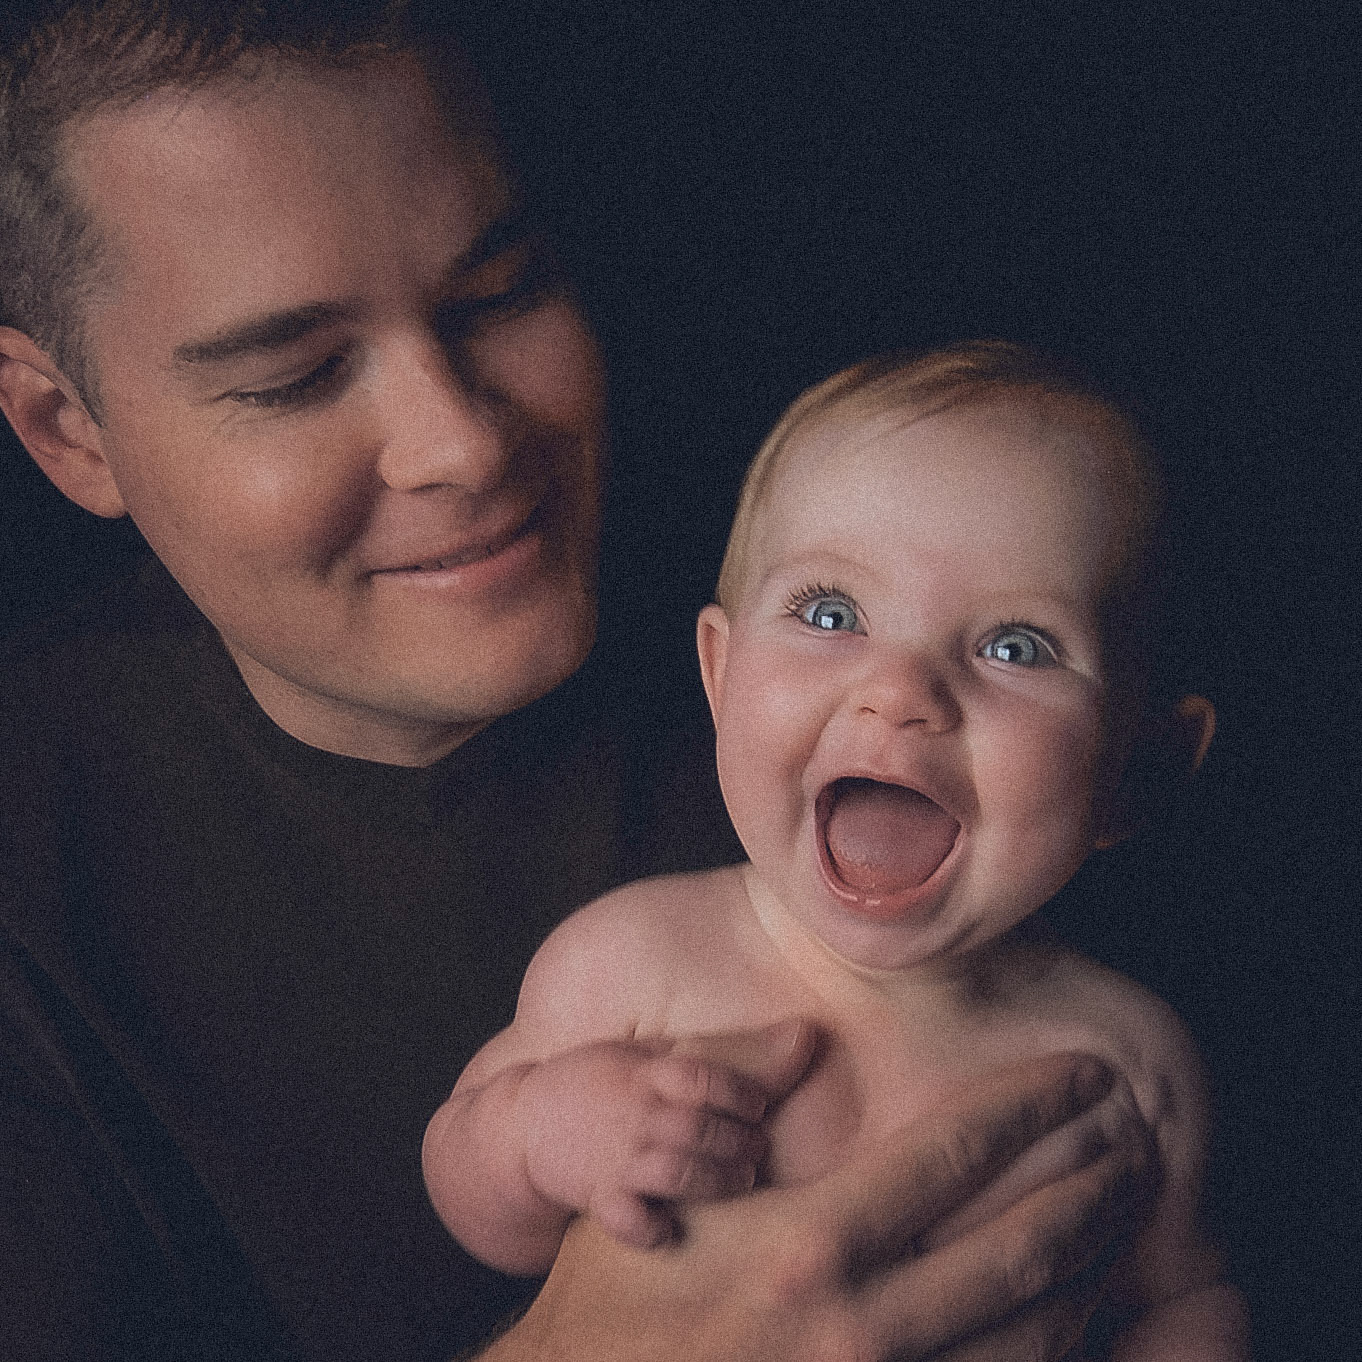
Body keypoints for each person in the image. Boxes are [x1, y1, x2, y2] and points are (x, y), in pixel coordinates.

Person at [0, 3, 1154, 1359]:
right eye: (300, 376)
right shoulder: (36, 857)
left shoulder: (885, 556)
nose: (465, 445)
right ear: (67, 430)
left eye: (499, 295)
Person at [424, 343, 1252, 1358]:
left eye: (1015, 645)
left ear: (1138, 772)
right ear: (722, 678)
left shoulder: (1130, 1062)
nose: (900, 691)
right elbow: (471, 1189)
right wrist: (542, 1135)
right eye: (830, 614)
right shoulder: (629, 965)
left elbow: (1183, 1302)